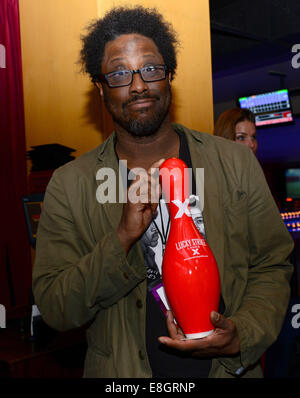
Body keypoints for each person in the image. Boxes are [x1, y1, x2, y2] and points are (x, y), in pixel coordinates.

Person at [32, 6, 294, 378]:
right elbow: (56, 308)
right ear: (100, 87)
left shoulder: (234, 163)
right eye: (120, 73)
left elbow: (272, 263)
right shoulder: (70, 185)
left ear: (169, 75)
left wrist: (243, 334)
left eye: (150, 69)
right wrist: (122, 239)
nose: (138, 85)